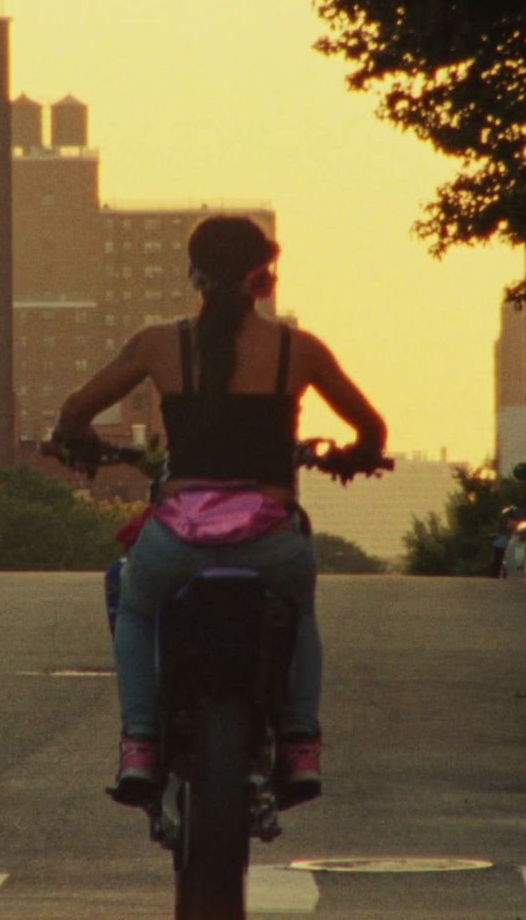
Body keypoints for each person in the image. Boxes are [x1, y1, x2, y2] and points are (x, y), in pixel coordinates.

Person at [52, 215, 386, 806]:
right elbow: (371, 428)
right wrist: (356, 456)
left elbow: (76, 410)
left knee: (135, 607)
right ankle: (301, 742)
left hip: (177, 541)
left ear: (194, 277)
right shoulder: (297, 350)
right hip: (271, 540)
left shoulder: (159, 344)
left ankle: (141, 741)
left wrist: (76, 441)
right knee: (300, 611)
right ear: (263, 278)